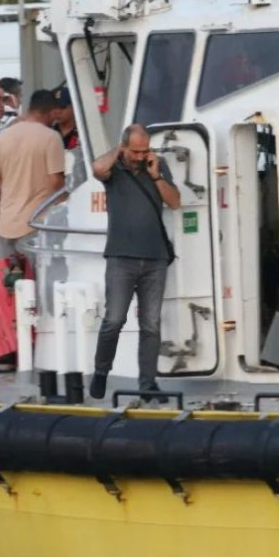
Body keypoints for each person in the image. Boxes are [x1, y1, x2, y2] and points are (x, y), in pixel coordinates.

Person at [88, 124, 181, 399]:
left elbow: (175, 202)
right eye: (136, 151)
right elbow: (97, 169)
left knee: (151, 324)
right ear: (125, 147)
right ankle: (101, 372)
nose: (141, 156)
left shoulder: (158, 168)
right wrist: (119, 153)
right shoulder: (114, 169)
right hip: (121, 257)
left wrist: (156, 176)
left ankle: (148, 384)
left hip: (155, 259)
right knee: (114, 319)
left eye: (145, 150)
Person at [0, 90, 66, 260]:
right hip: (35, 225)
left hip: (5, 224)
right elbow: (56, 183)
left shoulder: (2, 137)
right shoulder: (51, 138)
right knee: (36, 282)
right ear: (52, 111)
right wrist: (68, 204)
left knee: (9, 282)